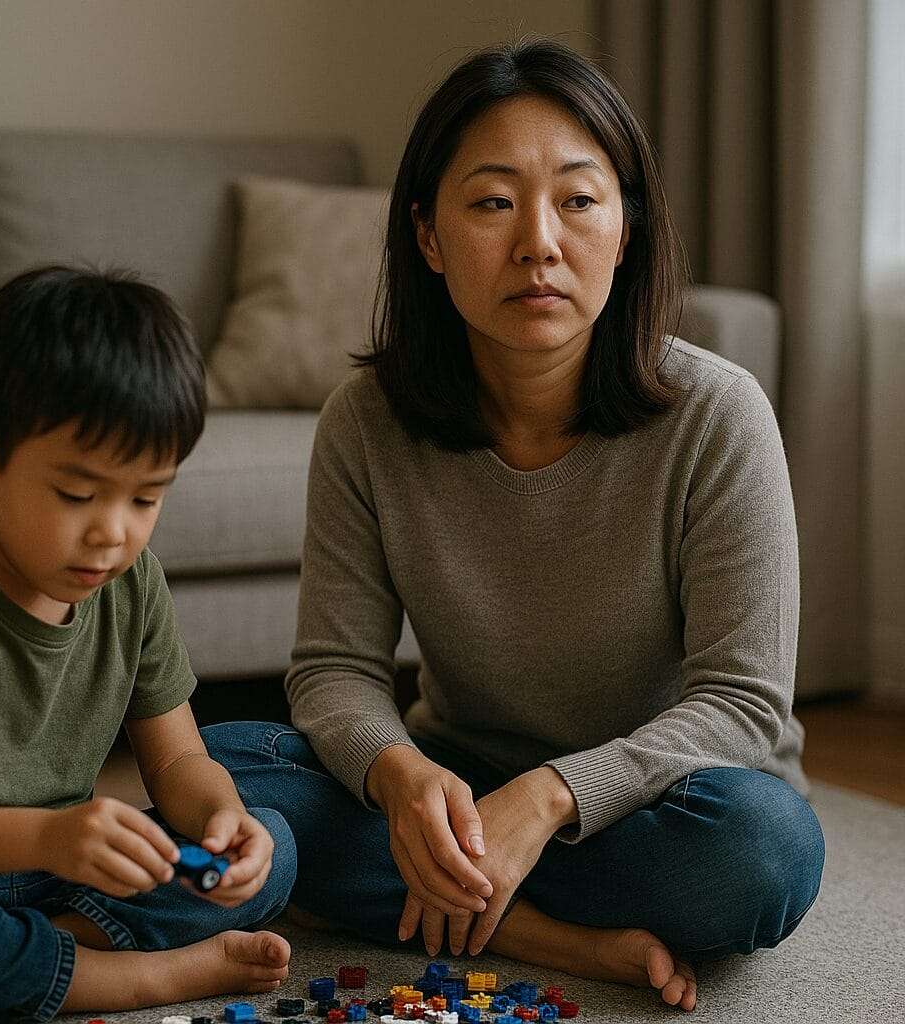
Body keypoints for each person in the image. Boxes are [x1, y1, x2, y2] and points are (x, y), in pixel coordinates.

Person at [203, 38, 825, 1013]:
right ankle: (560, 936)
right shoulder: (365, 422)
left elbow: (744, 708)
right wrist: (405, 781)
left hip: (655, 797)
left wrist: (544, 800)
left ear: (625, 230)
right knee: (222, 770)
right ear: (429, 236)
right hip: (454, 782)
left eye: (578, 199)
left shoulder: (717, 413)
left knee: (764, 853)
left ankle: (404, 892)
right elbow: (333, 672)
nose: (538, 241)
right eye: (492, 202)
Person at [0, 268, 295, 1024]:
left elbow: (175, 760)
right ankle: (146, 977)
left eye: (145, 498)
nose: (113, 533)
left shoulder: (133, 582)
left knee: (275, 841)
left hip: (67, 879)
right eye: (77, 495)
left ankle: (4, 968)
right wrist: (47, 835)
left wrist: (222, 823)